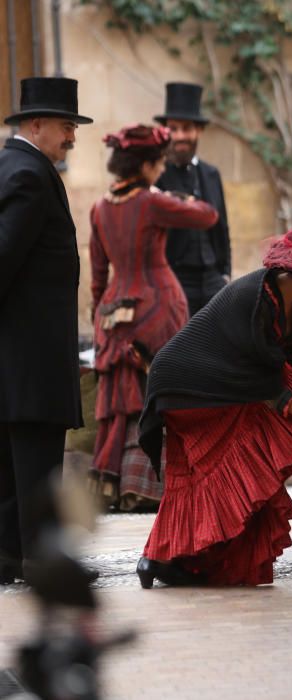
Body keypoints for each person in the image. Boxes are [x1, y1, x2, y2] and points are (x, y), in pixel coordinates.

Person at [136, 219, 292, 588]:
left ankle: (162, 559)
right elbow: (264, 385)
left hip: (226, 386)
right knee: (275, 396)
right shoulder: (255, 298)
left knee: (199, 478)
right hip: (184, 387)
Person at [88, 124, 219, 511]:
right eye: (158, 163)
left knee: (123, 400)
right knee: (164, 389)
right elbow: (206, 216)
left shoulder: (99, 206)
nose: (161, 169)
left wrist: (101, 317)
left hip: (114, 309)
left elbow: (97, 276)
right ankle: (156, 484)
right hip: (157, 305)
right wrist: (171, 194)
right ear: (145, 165)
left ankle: (123, 485)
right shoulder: (149, 200)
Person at [0, 77, 93, 585]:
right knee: (35, 462)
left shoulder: (15, 166)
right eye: (65, 126)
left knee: (12, 467)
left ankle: (11, 555)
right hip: (29, 355)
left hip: (18, 355)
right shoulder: (29, 173)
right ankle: (41, 561)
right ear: (35, 125)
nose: (71, 137)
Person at [154, 82, 231, 315]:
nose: (180, 136)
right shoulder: (158, 175)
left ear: (198, 130)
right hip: (175, 279)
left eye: (186, 128)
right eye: (173, 129)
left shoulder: (211, 174)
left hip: (212, 279)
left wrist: (225, 272)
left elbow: (223, 228)